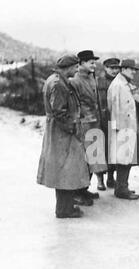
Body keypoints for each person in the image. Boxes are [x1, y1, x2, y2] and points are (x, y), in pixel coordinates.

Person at [37, 55, 90, 219]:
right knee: (66, 169)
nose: (76, 70)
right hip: (62, 133)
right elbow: (59, 112)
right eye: (75, 67)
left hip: (59, 132)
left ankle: (65, 206)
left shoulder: (56, 80)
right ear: (68, 67)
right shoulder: (58, 84)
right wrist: (73, 128)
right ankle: (64, 210)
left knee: (65, 170)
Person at [69, 50, 108, 198]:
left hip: (95, 123)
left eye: (94, 62)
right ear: (81, 64)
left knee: (93, 159)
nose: (94, 64)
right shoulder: (75, 81)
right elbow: (73, 105)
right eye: (91, 62)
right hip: (83, 125)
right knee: (83, 160)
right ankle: (78, 193)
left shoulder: (92, 78)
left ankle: (84, 190)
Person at [107, 59, 139, 200]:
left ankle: (122, 186)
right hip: (122, 128)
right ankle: (121, 189)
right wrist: (117, 130)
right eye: (131, 69)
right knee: (123, 159)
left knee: (126, 159)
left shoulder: (125, 84)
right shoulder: (118, 85)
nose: (133, 72)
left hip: (128, 127)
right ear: (124, 69)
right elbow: (113, 108)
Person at [97, 58, 121, 189]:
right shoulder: (99, 81)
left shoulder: (120, 82)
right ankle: (100, 180)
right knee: (100, 150)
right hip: (102, 120)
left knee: (113, 150)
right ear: (105, 68)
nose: (114, 70)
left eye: (116, 68)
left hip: (114, 120)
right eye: (111, 68)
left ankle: (111, 178)